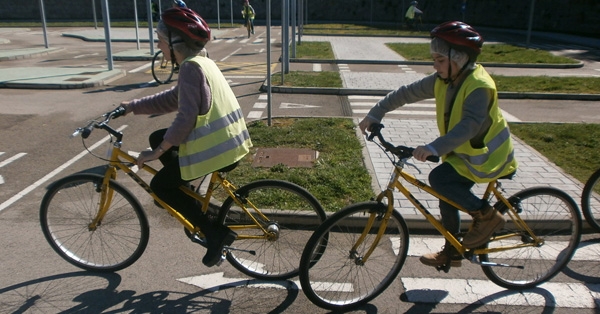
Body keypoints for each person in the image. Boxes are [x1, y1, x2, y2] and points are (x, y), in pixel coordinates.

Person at [359, 21, 518, 268]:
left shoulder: (480, 86)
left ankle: (487, 217)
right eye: (434, 59)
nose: (435, 65)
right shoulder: (444, 80)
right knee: (446, 193)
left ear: (460, 58)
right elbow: (406, 93)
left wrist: (434, 147)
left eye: (440, 60)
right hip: (464, 155)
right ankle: (453, 252)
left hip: (487, 157)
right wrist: (376, 113)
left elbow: (470, 126)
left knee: (441, 180)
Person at [117, 7, 252, 267]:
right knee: (159, 136)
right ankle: (188, 196)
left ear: (174, 42)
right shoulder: (202, 62)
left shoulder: (190, 69)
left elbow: (185, 119)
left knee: (160, 186)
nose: (158, 45)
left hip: (218, 150)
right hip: (230, 142)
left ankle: (216, 234)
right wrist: (133, 106)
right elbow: (172, 99)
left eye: (160, 39)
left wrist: (154, 155)